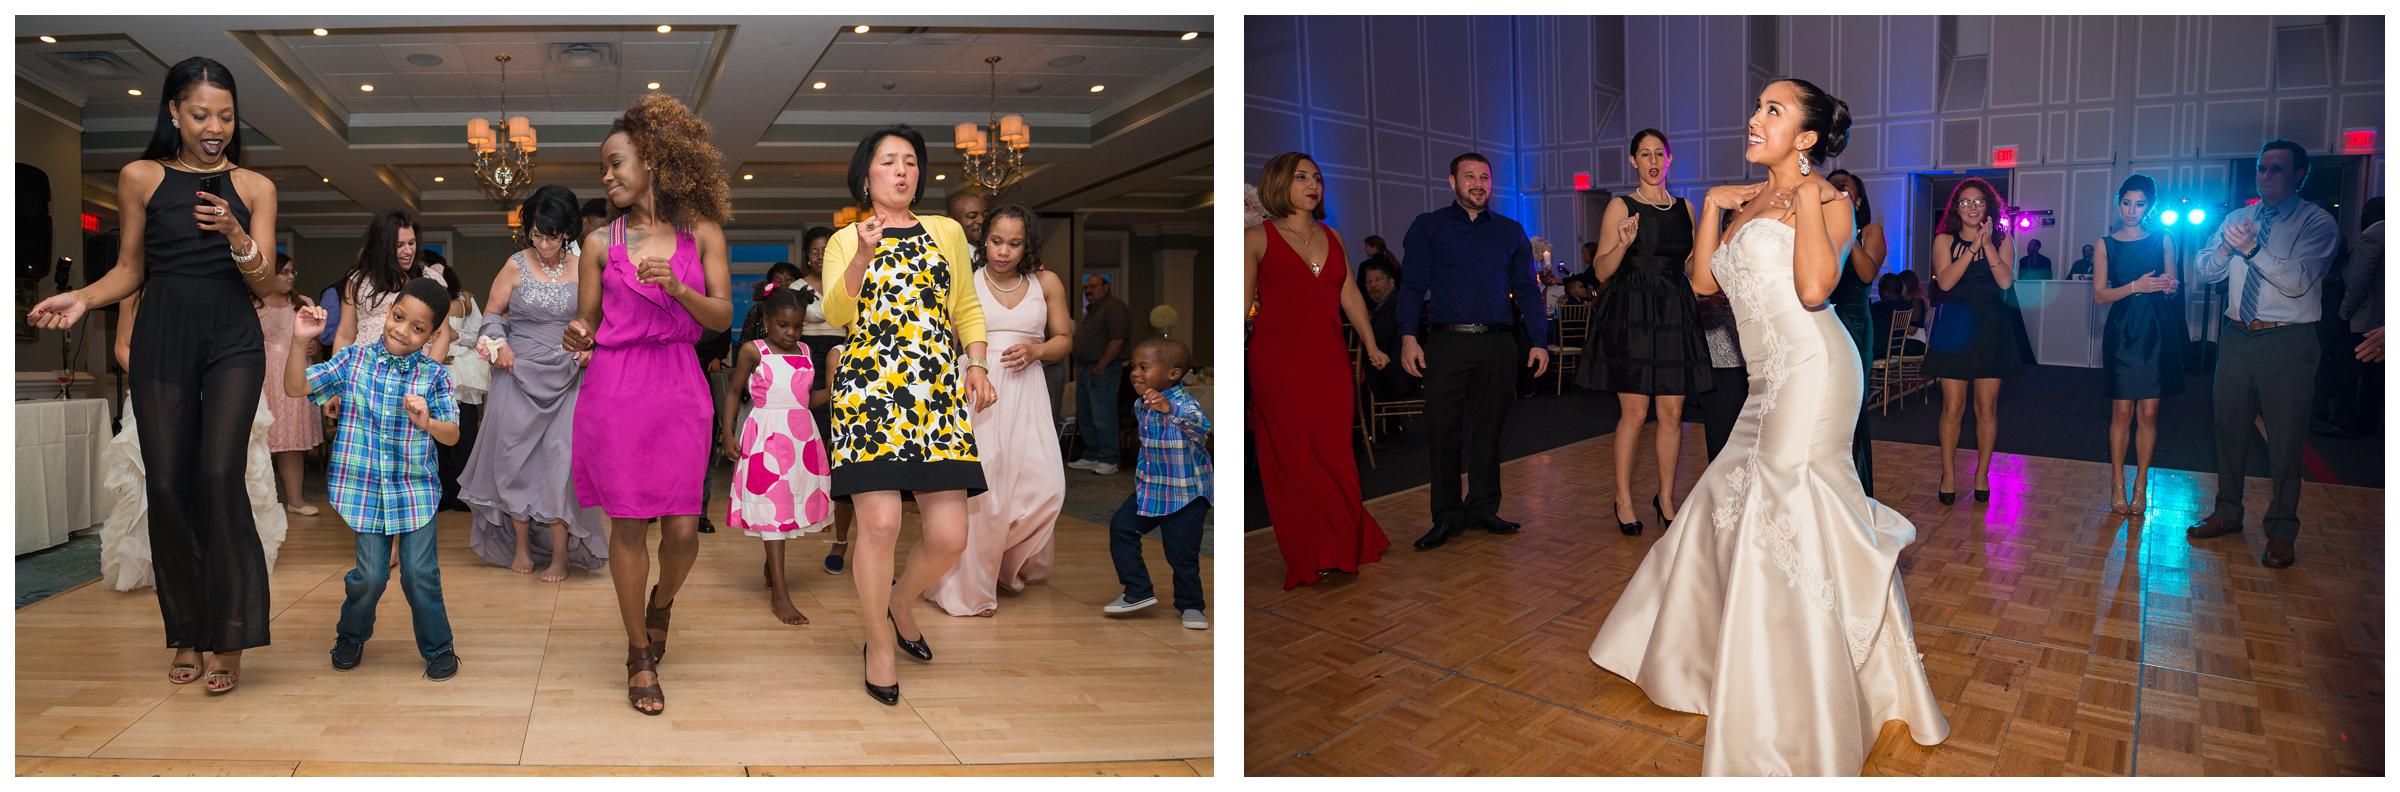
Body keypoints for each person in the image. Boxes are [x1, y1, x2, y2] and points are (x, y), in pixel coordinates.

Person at [1589, 78, 1947, 776]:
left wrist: (1808, 196)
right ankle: (1725, 664)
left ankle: (1804, 702)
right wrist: (1715, 209)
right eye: (1756, 105)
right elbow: (1702, 284)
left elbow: (1815, 289)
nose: (1753, 117)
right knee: (1723, 500)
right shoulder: (1746, 197)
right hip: (1763, 380)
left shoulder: (1831, 199)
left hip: (1813, 373)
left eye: (1772, 111)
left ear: (1806, 139)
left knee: (1784, 514)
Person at [29, 56, 283, 694]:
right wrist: (85, 297)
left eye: (225, 116)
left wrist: (233, 230)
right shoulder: (140, 177)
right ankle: (187, 630)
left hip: (232, 340)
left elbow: (263, 283)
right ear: (173, 112)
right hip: (163, 340)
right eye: (201, 114)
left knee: (220, 476)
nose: (214, 126)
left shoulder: (254, 188)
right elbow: (131, 269)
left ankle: (230, 636)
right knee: (168, 487)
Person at [561, 94, 735, 715]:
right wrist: (577, 333)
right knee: (629, 523)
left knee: (684, 530)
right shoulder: (598, 242)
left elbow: (722, 316)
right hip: (616, 386)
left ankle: (662, 603)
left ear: (653, 159)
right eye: (603, 169)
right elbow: (585, 320)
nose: (607, 177)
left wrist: (678, 287)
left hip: (680, 385)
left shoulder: (703, 232)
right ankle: (638, 651)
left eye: (616, 164)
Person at [819, 124, 997, 706]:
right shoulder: (850, 238)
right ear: (866, 174)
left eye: (912, 162)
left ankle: (900, 602)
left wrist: (976, 362)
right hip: (870, 393)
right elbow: (839, 310)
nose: (902, 171)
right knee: (879, 526)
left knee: (949, 535)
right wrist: (865, 252)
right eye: (889, 161)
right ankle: (878, 643)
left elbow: (965, 305)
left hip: (935, 395)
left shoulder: (945, 231)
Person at [289, 280, 462, 682]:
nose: (402, 331)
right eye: (398, 318)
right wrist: (300, 342)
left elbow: (451, 433)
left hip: (414, 490)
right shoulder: (352, 361)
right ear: (389, 313)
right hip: (364, 491)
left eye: (417, 328)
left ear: (432, 335)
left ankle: (439, 646)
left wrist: (428, 421)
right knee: (370, 576)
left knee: (420, 574)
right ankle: (351, 634)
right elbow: (295, 387)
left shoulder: (434, 376)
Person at [2185, 139, 2341, 569]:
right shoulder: (2239, 218)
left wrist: (2252, 250)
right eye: (2261, 169)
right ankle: (2228, 512)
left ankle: (2282, 531)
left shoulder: (2317, 223)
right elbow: (2202, 268)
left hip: (2288, 341)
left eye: (2276, 169)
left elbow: (2298, 280)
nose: (2266, 177)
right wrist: (2224, 249)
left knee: (2286, 440)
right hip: (2237, 336)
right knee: (2228, 428)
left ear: (2298, 176)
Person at [1245, 151, 1391, 588]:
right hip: (1278, 361)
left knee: (1334, 452)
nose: (1313, 184)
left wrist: (1371, 344)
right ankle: (1315, 551)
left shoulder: (1334, 236)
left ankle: (1343, 539)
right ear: (1277, 184)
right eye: (1301, 177)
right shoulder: (1255, 238)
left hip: (1328, 360)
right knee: (1295, 457)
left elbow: (1350, 296)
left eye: (1318, 178)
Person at [1397, 152, 1548, 551]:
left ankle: (1482, 506)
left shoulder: (1510, 231)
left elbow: (1529, 291)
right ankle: (1446, 515)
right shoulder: (1428, 227)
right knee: (1442, 431)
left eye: (1484, 177)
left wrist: (1538, 340)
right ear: (1452, 182)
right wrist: (1408, 337)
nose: (1478, 183)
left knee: (1489, 430)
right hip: (1446, 343)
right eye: (1469, 177)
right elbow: (1411, 286)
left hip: (1498, 343)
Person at [929, 204, 1071, 615]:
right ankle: (970, 589)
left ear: (1028, 245)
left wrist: (1038, 349)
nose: (1003, 251)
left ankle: (1007, 562)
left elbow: (1064, 338)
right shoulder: (965, 281)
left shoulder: (1046, 282)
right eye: (996, 241)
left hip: (1027, 392)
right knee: (983, 496)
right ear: (983, 239)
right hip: (977, 390)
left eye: (1014, 243)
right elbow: (945, 340)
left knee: (1046, 489)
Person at [461, 184, 608, 583]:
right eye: (537, 233)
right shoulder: (515, 265)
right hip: (517, 373)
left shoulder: (584, 268)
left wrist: (588, 346)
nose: (543, 242)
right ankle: (522, 547)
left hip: (566, 377)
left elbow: (599, 321)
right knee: (513, 461)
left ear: (567, 232)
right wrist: (499, 343)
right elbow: (490, 316)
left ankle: (561, 555)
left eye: (552, 234)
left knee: (560, 466)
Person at [100, 288, 290, 594]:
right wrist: (160, 383)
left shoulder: (228, 281)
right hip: (160, 388)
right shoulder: (138, 287)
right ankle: (171, 570)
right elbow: (123, 345)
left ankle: (227, 565)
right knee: (164, 480)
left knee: (226, 474)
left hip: (225, 388)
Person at [1584, 129, 1711, 534]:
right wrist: (1622, 244)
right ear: (1632, 161)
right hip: (1632, 311)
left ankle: (1666, 497)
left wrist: (1713, 258)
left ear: (1669, 159)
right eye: (1644, 154)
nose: (1653, 161)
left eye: (1659, 154)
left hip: (1674, 309)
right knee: (1635, 413)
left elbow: (1691, 267)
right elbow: (1601, 271)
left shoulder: (1685, 208)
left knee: (1672, 413)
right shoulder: (1620, 207)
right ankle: (1623, 499)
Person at [719, 281, 836, 625]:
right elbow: (735, 391)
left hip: (801, 439)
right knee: (772, 509)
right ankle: (780, 594)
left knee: (787, 507)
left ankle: (772, 567)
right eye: (783, 325)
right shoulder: (753, 351)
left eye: (797, 325)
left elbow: (805, 400)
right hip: (766, 437)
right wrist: (727, 433)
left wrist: (831, 389)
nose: (791, 332)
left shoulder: (805, 351)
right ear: (766, 320)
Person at [2091, 174, 2185, 515]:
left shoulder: (2164, 238)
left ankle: (2141, 484)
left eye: (2140, 204)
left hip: (2157, 331)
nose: (2132, 210)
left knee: (2148, 413)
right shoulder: (2105, 244)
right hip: (2123, 331)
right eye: (2127, 202)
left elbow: (2173, 286)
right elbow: (2100, 295)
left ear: (2151, 206)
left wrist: (2168, 286)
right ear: (2119, 202)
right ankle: (2116, 481)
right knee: (2122, 412)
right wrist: (2136, 286)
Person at [1101, 338, 1211, 630]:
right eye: (1134, 367)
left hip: (1186, 494)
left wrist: (1170, 410)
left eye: (1144, 367)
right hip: (1151, 488)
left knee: (1181, 554)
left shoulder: (1182, 403)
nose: (1135, 372)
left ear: (1173, 374)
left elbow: (1202, 431)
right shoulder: (1142, 403)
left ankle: (1191, 605)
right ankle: (1138, 590)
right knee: (1122, 528)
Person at [1923, 177, 2020, 505]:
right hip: (1953, 330)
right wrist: (1971, 250)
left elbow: (2005, 280)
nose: (1972, 207)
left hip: (1991, 329)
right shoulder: (1944, 241)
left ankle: (1981, 473)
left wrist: (1988, 244)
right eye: (1965, 202)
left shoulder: (2004, 240)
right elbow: (1946, 282)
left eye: (1978, 201)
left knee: (1986, 408)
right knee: (1952, 407)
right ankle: (1949, 474)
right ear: (1956, 208)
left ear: (1988, 207)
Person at [793, 225, 852, 573]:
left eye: (826, 249)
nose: (820, 255)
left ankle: (840, 539)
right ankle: (805, 512)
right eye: (814, 250)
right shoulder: (796, 290)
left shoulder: (852, 283)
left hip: (845, 357)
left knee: (841, 450)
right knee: (808, 445)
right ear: (807, 255)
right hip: (806, 360)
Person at [1825, 169, 1884, 496]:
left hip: (1855, 327)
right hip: (1820, 324)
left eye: (1844, 191)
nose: (1837, 194)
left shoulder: (1870, 231)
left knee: (1851, 409)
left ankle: (1857, 491)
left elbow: (1865, 272)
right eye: (1830, 190)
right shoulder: (1816, 231)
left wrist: (1846, 231)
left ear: (1858, 200)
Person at [255, 254, 324, 515]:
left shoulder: (303, 304)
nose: (290, 276)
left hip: (294, 373)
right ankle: (260, 503)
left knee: (292, 442)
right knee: (257, 440)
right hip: (263, 376)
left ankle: (295, 500)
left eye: (293, 272)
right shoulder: (253, 304)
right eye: (284, 272)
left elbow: (313, 344)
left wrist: (314, 346)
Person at [427, 250, 486, 513]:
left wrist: (454, 338)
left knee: (464, 436)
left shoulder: (465, 301)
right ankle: (444, 492)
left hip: (461, 372)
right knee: (435, 437)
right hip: (436, 369)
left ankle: (465, 493)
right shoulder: (419, 303)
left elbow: (478, 335)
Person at [1069, 273, 1131, 474]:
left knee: (1102, 415)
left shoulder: (1114, 307)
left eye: (1093, 286)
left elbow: (1117, 339)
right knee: (1086, 414)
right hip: (1088, 368)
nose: (1089, 291)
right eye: (1086, 287)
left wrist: (1103, 364)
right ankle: (1092, 455)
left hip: (1104, 368)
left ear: (1106, 287)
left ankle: (1108, 458)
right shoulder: (1092, 310)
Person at [2332, 197, 2383, 432]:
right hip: (2380, 321)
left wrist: (2344, 313)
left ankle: (2346, 423)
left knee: (2348, 372)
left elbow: (2358, 280)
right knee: (2375, 376)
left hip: (2362, 319)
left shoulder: (2373, 235)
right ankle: (2369, 423)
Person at [1691, 291, 1747, 463]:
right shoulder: (1701, 266)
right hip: (1715, 355)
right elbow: (1689, 295)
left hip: (1758, 355)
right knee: (1720, 436)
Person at [1359, 259, 1419, 400]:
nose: (1372, 285)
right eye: (1368, 282)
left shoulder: (1394, 310)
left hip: (1394, 380)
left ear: (1392, 282)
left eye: (1377, 280)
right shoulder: (1384, 307)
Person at [946, 187, 992, 266]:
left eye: (985, 215)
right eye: (972, 216)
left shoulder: (996, 251)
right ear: (952, 222)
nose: (982, 220)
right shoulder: (948, 258)